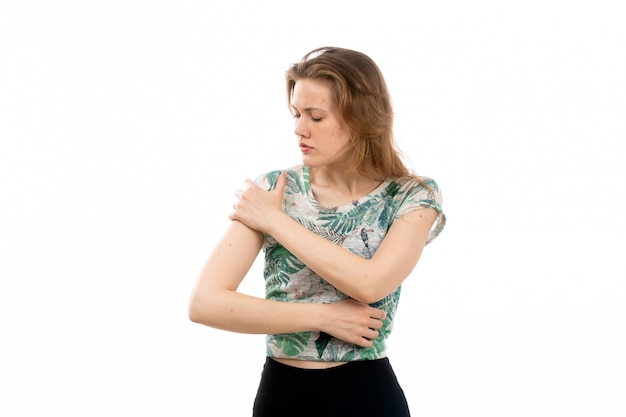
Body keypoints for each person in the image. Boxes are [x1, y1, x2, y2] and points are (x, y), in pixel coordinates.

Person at [189, 46, 446, 417]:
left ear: (361, 118)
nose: (299, 128)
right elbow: (205, 304)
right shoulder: (274, 190)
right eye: (296, 113)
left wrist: (276, 221)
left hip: (368, 396)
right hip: (284, 394)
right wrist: (323, 317)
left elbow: (370, 284)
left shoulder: (411, 196)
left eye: (316, 116)